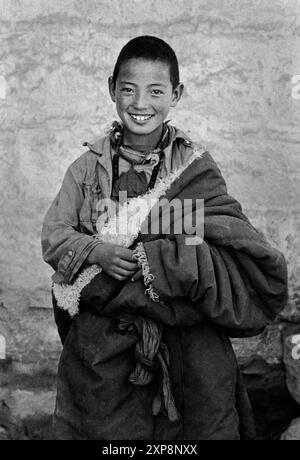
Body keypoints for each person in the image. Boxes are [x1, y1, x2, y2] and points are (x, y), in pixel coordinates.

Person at [41, 36, 288, 440]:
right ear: (111, 90)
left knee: (200, 418)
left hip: (185, 327)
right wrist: (97, 251)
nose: (141, 103)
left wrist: (159, 261)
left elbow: (225, 234)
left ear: (176, 94)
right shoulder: (87, 169)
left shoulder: (194, 168)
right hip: (110, 335)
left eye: (156, 91)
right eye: (128, 89)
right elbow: (55, 235)